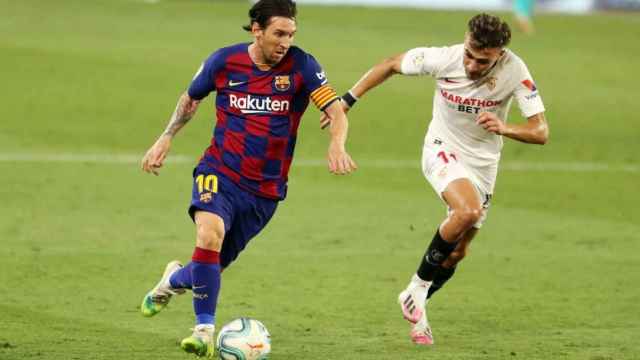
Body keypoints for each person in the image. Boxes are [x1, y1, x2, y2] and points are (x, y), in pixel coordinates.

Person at [139, 0, 357, 357]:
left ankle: (171, 281)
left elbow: (335, 110)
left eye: (291, 34)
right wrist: (166, 137)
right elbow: (191, 99)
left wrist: (337, 143)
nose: (285, 41)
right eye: (279, 33)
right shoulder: (224, 61)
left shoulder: (302, 66)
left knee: (209, 266)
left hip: (265, 190)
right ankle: (204, 331)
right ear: (257, 30)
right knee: (209, 235)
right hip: (218, 171)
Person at [324, 13, 548, 345]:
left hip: (484, 162)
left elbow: (540, 131)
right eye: (470, 54)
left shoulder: (515, 70)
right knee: (467, 211)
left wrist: (506, 128)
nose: (471, 64)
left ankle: (419, 305)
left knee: (457, 252)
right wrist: (346, 100)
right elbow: (390, 64)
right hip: (441, 149)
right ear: (466, 40)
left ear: (499, 54)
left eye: (482, 60)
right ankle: (415, 287)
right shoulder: (444, 58)